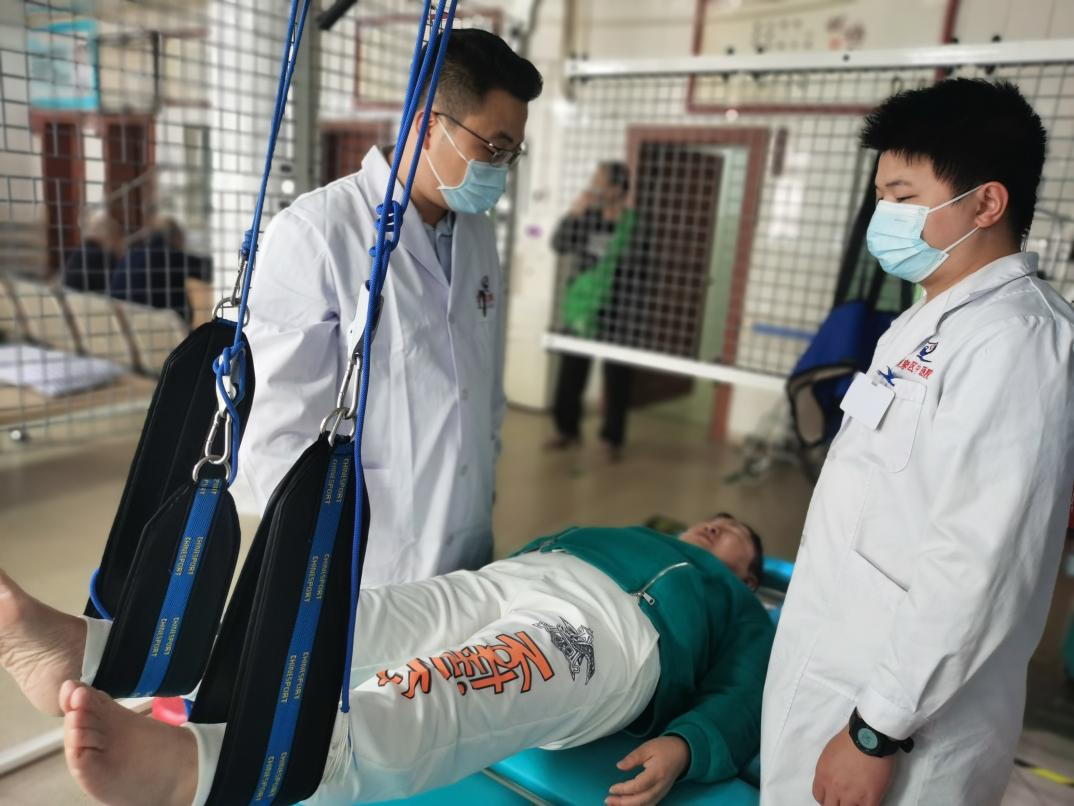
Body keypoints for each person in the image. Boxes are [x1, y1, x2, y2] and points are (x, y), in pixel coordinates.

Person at [760, 79, 1074, 806]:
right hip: (838, 672)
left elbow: (980, 560)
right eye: (880, 197)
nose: (884, 217)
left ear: (986, 204)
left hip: (904, 726)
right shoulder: (923, 321)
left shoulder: (1018, 341)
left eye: (903, 197)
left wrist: (878, 729)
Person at [0, 514, 774, 806]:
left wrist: (687, 744)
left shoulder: (737, 610)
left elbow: (744, 695)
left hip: (613, 639)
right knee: (342, 625)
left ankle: (204, 769)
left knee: (444, 687)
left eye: (733, 539)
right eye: (711, 523)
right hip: (517, 578)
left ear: (748, 579)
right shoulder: (634, 534)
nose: (714, 531)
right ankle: (97, 652)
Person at [235, 30, 542, 585]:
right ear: (428, 126)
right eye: (493, 149)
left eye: (511, 154)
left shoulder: (476, 234)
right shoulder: (318, 231)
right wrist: (318, 553)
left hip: (467, 533)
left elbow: (480, 385)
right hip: (366, 554)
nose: (500, 169)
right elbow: (272, 424)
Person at [547, 161, 637, 462]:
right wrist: (575, 213)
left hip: (618, 310)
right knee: (571, 372)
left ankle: (612, 439)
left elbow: (643, 269)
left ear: (616, 189)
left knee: (617, 378)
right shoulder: (588, 218)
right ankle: (566, 430)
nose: (593, 186)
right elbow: (559, 244)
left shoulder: (634, 225)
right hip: (582, 306)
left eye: (599, 181)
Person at [110, 216, 212, 323]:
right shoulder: (170, 257)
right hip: (162, 326)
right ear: (176, 237)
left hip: (131, 324)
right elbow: (211, 270)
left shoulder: (130, 256)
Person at [63, 211, 123, 294]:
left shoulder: (81, 251)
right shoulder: (101, 257)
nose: (119, 243)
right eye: (118, 238)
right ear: (110, 236)